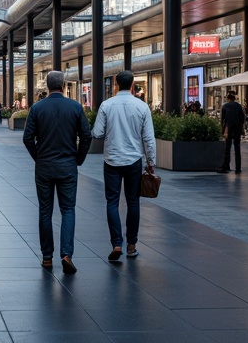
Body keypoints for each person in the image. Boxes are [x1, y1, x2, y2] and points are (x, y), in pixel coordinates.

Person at [22, 70, 92, 274]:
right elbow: (86, 136)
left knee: (45, 210)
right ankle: (66, 254)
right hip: (68, 165)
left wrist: (38, 157)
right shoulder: (75, 107)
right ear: (63, 86)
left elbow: (27, 138)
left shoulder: (37, 108)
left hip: (44, 165)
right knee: (68, 209)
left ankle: (46, 257)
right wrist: (78, 158)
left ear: (46, 86)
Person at [93, 70, 155, 262]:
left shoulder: (106, 105)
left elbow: (97, 132)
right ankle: (131, 245)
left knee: (112, 202)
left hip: (111, 160)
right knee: (133, 202)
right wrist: (151, 162)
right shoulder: (142, 106)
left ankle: (116, 243)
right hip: (134, 161)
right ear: (133, 84)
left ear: (115, 84)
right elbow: (148, 138)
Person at [218, 91, 245, 174]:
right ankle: (238, 168)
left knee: (227, 148)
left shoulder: (225, 106)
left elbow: (222, 120)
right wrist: (241, 128)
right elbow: (242, 118)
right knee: (237, 148)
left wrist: (222, 131)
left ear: (228, 99)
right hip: (237, 129)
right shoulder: (239, 106)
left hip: (228, 129)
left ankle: (226, 166)